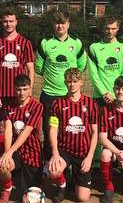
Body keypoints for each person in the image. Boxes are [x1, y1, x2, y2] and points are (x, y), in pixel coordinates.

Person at [34, 12, 87, 165]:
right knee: (49, 129)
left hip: (69, 97)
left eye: (63, 23)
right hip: (50, 95)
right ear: (53, 25)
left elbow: (81, 66)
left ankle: (68, 164)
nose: (60, 26)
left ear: (68, 24)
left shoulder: (76, 44)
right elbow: (39, 68)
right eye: (57, 23)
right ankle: (47, 163)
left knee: (69, 130)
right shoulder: (45, 43)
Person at [47, 68, 99, 203]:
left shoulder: (91, 103)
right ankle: (62, 185)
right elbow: (53, 129)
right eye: (69, 81)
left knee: (82, 198)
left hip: (83, 153)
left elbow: (95, 132)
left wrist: (90, 157)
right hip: (65, 151)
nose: (72, 85)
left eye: (75, 81)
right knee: (53, 171)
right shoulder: (57, 104)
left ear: (81, 82)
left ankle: (75, 177)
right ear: (65, 82)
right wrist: (55, 153)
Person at [0, 10, 35, 157]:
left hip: (20, 95)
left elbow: (30, 69)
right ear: (2, 22)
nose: (8, 24)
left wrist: (29, 91)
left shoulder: (25, 43)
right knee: (1, 128)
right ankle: (2, 160)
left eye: (11, 21)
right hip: (2, 96)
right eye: (5, 21)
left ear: (16, 22)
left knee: (20, 127)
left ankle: (21, 157)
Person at [0, 75, 44, 203]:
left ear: (30, 89)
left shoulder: (37, 106)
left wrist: (9, 152)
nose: (21, 93)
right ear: (14, 89)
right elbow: (8, 129)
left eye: (24, 89)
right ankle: (7, 189)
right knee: (3, 166)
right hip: (15, 151)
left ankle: (36, 177)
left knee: (27, 192)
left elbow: (26, 132)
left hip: (32, 152)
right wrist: (7, 154)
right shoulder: (9, 106)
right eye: (18, 89)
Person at [87, 16, 123, 107]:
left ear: (118, 28)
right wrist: (104, 93)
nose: (110, 31)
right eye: (107, 28)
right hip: (100, 96)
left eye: (113, 28)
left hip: (119, 95)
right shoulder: (94, 48)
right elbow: (93, 75)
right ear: (103, 28)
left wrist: (119, 91)